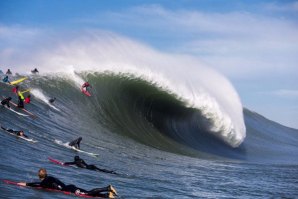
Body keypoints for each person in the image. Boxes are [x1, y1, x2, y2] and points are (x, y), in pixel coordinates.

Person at [17, 168, 117, 198]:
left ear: (39, 176)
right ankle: (107, 195)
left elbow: (38, 185)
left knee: (87, 194)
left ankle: (107, 188)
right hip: (69, 186)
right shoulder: (49, 177)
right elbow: (39, 184)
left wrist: (25, 184)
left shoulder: (45, 182)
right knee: (88, 193)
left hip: (69, 189)